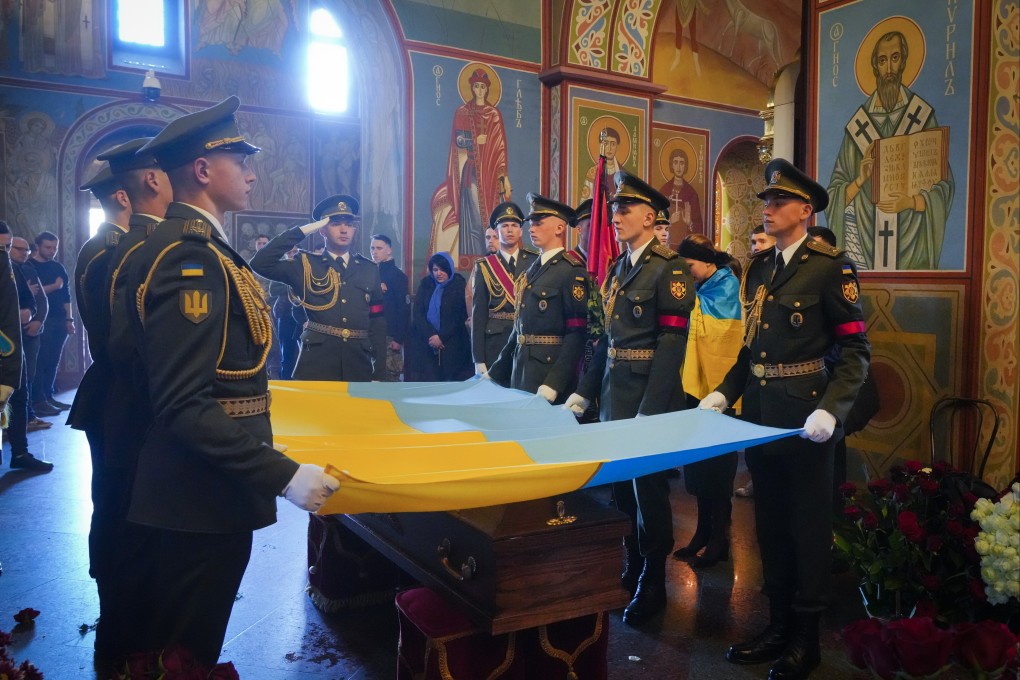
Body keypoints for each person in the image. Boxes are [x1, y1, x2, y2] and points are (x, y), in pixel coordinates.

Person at [124, 96, 339, 666]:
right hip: (199, 494)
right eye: (240, 159)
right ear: (202, 169)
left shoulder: (204, 250)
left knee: (193, 640)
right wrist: (283, 474)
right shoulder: (188, 260)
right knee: (186, 651)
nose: (252, 170)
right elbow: (183, 404)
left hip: (209, 483)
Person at [701, 158, 870, 679]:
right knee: (770, 527)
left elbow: (857, 353)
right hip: (761, 417)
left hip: (807, 421)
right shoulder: (760, 269)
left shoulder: (830, 267)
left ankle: (807, 637)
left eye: (778, 202)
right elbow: (751, 352)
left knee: (807, 529)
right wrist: (724, 394)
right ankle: (776, 626)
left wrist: (832, 410)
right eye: (766, 202)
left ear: (805, 209)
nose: (768, 209)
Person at [564, 172, 695, 626]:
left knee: (650, 492)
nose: (615, 216)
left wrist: (651, 410)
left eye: (624, 209)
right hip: (614, 397)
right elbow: (606, 342)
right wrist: (584, 392)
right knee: (622, 488)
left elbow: (672, 344)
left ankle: (654, 578)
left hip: (646, 397)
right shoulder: (620, 268)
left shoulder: (668, 267)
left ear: (650, 216)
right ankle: (633, 562)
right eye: (614, 209)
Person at [825, 30, 954, 270]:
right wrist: (860, 180)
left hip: (912, 247)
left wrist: (911, 202)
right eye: (882, 61)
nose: (889, 69)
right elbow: (833, 195)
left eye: (895, 58)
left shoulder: (922, 117)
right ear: (875, 66)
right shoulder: (858, 126)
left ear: (904, 60)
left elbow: (944, 187)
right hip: (862, 247)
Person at [250, 194, 387, 382]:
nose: (344, 229)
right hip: (316, 364)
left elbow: (377, 321)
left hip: (358, 363)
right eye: (335, 223)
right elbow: (260, 263)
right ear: (322, 230)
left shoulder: (369, 269)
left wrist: (379, 371)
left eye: (348, 223)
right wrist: (303, 231)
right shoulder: (305, 264)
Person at [672, 234, 742, 569]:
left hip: (719, 393)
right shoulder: (700, 288)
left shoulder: (726, 287)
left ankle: (720, 539)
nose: (687, 273)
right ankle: (701, 532)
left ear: (708, 263)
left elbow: (723, 336)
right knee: (697, 465)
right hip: (693, 388)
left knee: (717, 468)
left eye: (690, 266)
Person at [488, 194, 589, 403]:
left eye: (538, 223)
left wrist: (555, 382)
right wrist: (496, 372)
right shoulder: (531, 270)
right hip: (522, 370)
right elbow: (519, 329)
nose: (531, 228)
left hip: (548, 374)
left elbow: (576, 335)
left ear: (559, 228)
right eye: (531, 224)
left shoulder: (571, 271)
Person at [428, 67, 511, 262]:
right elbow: (458, 141)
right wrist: (475, 142)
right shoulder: (463, 112)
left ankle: (493, 254)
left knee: (490, 211)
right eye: (476, 86)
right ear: (472, 88)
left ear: (487, 89)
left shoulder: (493, 114)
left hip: (490, 173)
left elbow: (499, 147)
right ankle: (474, 255)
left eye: (483, 87)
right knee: (473, 210)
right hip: (472, 170)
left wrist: (503, 175)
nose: (480, 90)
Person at [0, 222, 47, 470]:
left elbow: (32, 301)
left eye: (7, 247)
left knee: (18, 395)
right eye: (3, 247)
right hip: (5, 342)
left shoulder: (15, 269)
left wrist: (28, 313)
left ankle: (20, 453)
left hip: (14, 343)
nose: (5, 252)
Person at [470, 202, 537, 374]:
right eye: (504, 226)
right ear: (496, 231)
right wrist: (478, 359)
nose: (509, 230)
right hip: (495, 344)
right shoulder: (485, 266)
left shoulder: (535, 261)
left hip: (527, 342)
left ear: (521, 231)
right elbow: (478, 315)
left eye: (514, 225)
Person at [30, 230, 73, 416]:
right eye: (48, 247)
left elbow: (67, 296)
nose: (52, 251)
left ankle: (48, 395)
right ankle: (39, 400)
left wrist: (69, 319)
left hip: (59, 320)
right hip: (40, 319)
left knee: (54, 360)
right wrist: (54, 286)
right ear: (37, 246)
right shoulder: (29, 267)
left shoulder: (58, 268)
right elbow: (32, 294)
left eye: (54, 248)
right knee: (41, 360)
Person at [410, 252, 472, 382]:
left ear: (450, 269)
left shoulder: (459, 285)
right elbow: (418, 313)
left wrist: (441, 336)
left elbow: (460, 316)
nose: (439, 273)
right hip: (427, 343)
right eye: (435, 269)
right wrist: (431, 336)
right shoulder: (426, 285)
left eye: (443, 269)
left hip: (453, 343)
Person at [9, 236, 49, 433]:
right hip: (8, 335)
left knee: (29, 375)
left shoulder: (29, 269)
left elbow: (41, 301)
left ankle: (29, 415)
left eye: (26, 250)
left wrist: (38, 321)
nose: (23, 253)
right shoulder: (6, 270)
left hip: (29, 332)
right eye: (18, 249)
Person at [370, 234, 409, 381]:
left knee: (389, 377)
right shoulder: (369, 273)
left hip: (389, 335)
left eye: (379, 248)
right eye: (372, 248)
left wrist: (398, 338)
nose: (374, 251)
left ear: (389, 250)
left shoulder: (398, 276)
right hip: (369, 333)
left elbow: (403, 310)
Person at [658, 148, 703, 240]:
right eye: (675, 162)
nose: (678, 167)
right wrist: (670, 220)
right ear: (672, 165)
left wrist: (689, 223)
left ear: (685, 166)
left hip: (684, 243)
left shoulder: (691, 193)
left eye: (681, 163)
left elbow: (698, 225)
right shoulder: (664, 190)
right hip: (667, 243)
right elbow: (656, 219)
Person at [582, 126, 622, 201]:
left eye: (613, 144)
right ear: (601, 146)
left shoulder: (622, 174)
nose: (609, 148)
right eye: (606, 144)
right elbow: (586, 202)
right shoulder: (593, 172)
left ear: (617, 146)